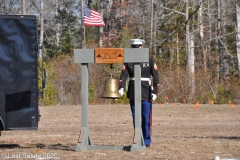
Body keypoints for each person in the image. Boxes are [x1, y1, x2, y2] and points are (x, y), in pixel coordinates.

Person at [118, 39, 160, 147]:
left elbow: (156, 78)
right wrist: (121, 87)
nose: (136, 49)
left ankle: (146, 141)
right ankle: (137, 138)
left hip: (146, 92)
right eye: (134, 47)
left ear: (142, 47)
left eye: (138, 47)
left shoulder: (149, 60)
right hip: (133, 92)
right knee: (135, 118)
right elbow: (124, 75)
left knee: (146, 118)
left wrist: (155, 92)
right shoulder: (129, 60)